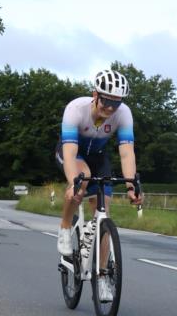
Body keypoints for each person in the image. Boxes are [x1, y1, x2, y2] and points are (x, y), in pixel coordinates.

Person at [55, 69, 143, 301]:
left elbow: (126, 153)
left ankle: (102, 276)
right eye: (106, 101)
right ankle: (65, 227)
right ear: (95, 94)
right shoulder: (75, 109)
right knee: (81, 179)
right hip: (72, 151)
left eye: (116, 103)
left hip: (99, 156)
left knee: (104, 211)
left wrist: (132, 187)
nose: (111, 108)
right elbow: (70, 150)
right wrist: (75, 184)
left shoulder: (123, 114)